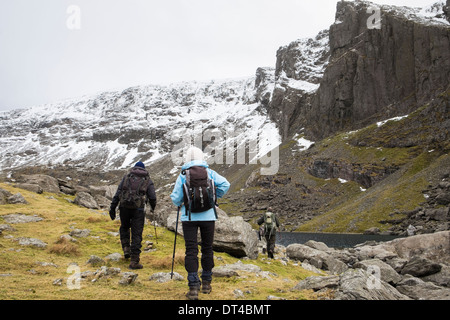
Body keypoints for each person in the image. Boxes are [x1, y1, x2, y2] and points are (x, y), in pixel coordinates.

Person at [170, 146, 230, 300]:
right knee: (207, 248)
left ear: (187, 158)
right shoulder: (210, 173)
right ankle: (207, 284)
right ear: (201, 157)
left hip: (189, 217)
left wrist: (184, 201)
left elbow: (176, 198)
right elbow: (225, 184)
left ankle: (193, 288)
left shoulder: (183, 174)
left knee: (191, 250)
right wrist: (214, 199)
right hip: (209, 217)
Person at [109, 161, 157, 269]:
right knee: (137, 234)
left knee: (124, 227)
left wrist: (112, 207)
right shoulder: (147, 180)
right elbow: (152, 197)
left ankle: (126, 248)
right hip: (138, 209)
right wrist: (152, 207)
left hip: (124, 207)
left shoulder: (127, 177)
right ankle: (134, 261)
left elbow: (118, 192)